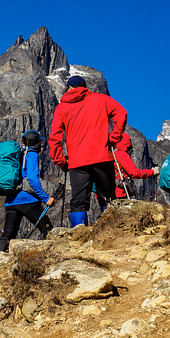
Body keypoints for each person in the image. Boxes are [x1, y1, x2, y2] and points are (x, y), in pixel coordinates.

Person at [48, 75, 128, 226]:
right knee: (107, 198)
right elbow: (121, 112)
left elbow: (55, 137)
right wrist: (114, 136)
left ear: (69, 88)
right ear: (84, 87)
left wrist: (60, 161)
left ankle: (79, 236)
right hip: (102, 157)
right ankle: (110, 231)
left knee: (79, 201)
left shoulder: (62, 107)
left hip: (77, 162)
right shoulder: (101, 99)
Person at [0, 130, 53, 253]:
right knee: (47, 229)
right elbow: (32, 178)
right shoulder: (31, 154)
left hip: (11, 200)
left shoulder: (17, 154)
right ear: (36, 142)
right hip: (27, 200)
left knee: (8, 235)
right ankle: (50, 258)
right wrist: (45, 198)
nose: (41, 144)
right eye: (39, 141)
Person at [112, 132, 159, 199]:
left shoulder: (110, 153)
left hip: (107, 191)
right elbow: (134, 173)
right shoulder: (121, 154)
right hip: (119, 192)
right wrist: (152, 171)